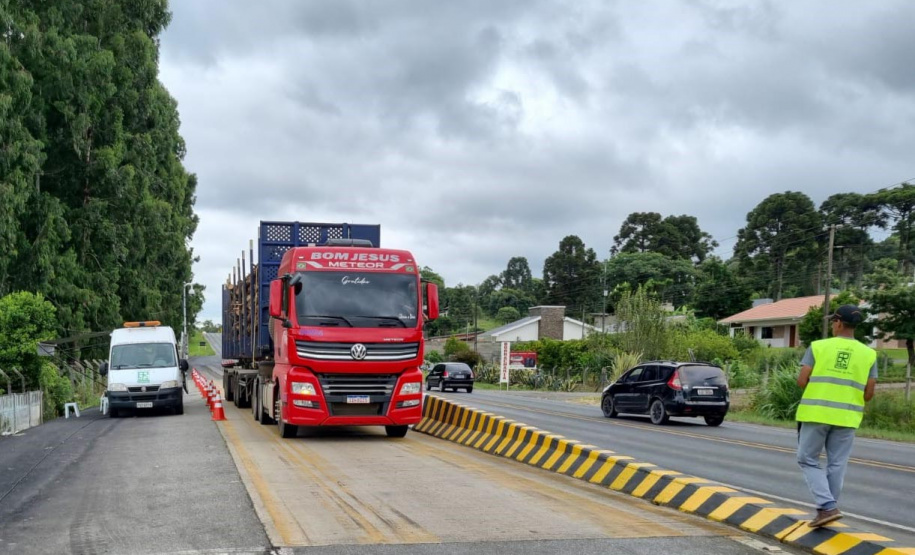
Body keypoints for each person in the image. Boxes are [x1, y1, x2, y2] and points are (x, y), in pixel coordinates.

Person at [796, 304, 877, 527]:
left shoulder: (818, 347)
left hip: (816, 413)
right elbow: (869, 394)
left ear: (839, 323)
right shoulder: (869, 354)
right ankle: (827, 509)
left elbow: (802, 380)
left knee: (807, 459)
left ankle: (828, 507)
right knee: (837, 464)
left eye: (833, 321)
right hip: (848, 418)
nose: (833, 324)